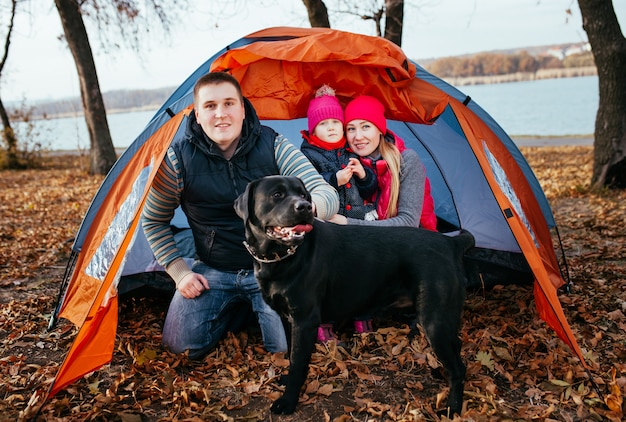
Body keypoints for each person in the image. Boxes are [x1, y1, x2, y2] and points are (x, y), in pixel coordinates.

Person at [141, 72, 339, 359]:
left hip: (275, 266)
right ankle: (240, 307)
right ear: (197, 114)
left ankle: (261, 305)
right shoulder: (177, 159)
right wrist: (180, 273)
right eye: (210, 106)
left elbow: (325, 192)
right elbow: (153, 220)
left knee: (285, 349)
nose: (221, 114)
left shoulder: (272, 145)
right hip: (213, 269)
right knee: (180, 347)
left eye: (229, 103)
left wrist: (303, 210)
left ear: (243, 108)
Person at [329, 94, 437, 230]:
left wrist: (347, 223)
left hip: (415, 244)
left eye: (366, 126)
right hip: (369, 244)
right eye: (351, 129)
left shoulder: (406, 160)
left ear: (380, 130)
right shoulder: (347, 164)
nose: (358, 136)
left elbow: (409, 222)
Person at [300, 85, 378, 221]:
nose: (331, 127)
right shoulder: (308, 154)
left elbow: (370, 191)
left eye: (335, 122)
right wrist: (334, 180)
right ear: (313, 131)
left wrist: (364, 176)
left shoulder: (351, 149)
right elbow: (307, 185)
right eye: (323, 123)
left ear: (342, 127)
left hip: (359, 217)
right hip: (331, 218)